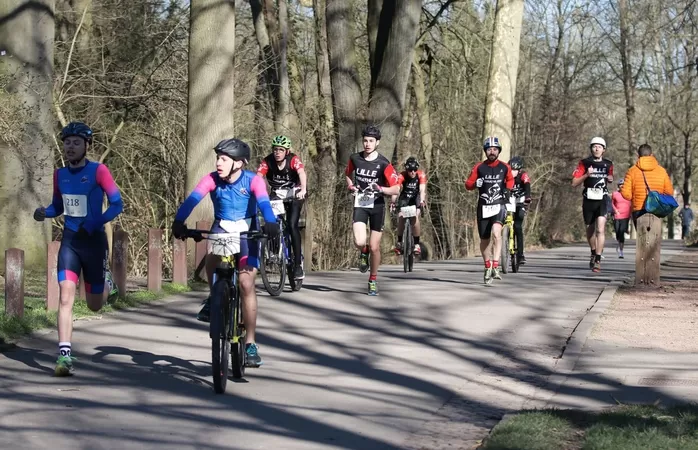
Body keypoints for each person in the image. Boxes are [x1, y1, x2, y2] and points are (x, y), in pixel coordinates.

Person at [172, 138, 280, 368]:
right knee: (212, 261)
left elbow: (263, 202)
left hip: (247, 229)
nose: (218, 163)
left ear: (239, 163)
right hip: (222, 226)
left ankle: (250, 343)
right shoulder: (211, 179)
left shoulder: (253, 180)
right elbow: (193, 199)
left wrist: (270, 222)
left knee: (246, 283)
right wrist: (179, 220)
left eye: (224, 159)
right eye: (218, 158)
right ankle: (214, 297)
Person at [33, 122, 123, 376]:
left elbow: (117, 204)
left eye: (75, 142)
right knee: (65, 296)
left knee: (95, 305)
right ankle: (64, 356)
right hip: (71, 242)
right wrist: (44, 213)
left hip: (94, 242)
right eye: (67, 142)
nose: (70, 147)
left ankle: (107, 283)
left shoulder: (99, 171)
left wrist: (97, 222)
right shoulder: (59, 174)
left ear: (86, 145)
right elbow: (57, 207)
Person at [345, 125, 400, 296]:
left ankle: (373, 280)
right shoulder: (355, 158)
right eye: (365, 141)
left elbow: (396, 188)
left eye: (371, 141)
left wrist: (381, 189)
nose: (367, 144)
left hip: (377, 206)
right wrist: (351, 186)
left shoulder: (384, 163)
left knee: (375, 247)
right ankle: (363, 252)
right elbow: (347, 174)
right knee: (360, 241)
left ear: (377, 143)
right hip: (361, 203)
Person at [256, 135, 308, 279]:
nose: (277, 152)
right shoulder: (267, 161)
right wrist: (256, 192)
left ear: (287, 151)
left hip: (295, 193)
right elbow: (258, 176)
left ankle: (297, 265)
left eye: (281, 150)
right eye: (275, 150)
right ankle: (273, 251)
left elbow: (301, 173)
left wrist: (303, 189)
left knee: (292, 225)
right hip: (277, 195)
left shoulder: (293, 159)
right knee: (271, 221)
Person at [465, 136, 514, 285]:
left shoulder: (505, 167)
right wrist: (475, 184)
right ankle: (487, 266)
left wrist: (507, 189)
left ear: (498, 151)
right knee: (485, 239)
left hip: (499, 204)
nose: (492, 152)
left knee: (496, 233)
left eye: (494, 149)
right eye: (489, 149)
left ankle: (496, 264)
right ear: (485, 151)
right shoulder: (479, 167)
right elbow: (468, 184)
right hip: (483, 206)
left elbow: (510, 179)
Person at [572, 137, 614, 273]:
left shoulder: (608, 164)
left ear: (604, 150)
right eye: (594, 146)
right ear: (591, 148)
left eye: (599, 147)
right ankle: (593, 250)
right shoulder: (584, 163)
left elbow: (610, 177)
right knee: (590, 229)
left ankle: (598, 259)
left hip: (602, 198)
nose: (597, 149)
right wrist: (586, 175)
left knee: (600, 230)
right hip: (589, 199)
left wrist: (610, 179)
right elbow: (574, 183)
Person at [621, 143, 673, 227]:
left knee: (642, 237)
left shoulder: (632, 171)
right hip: (656, 208)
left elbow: (626, 194)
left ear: (638, 155)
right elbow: (669, 192)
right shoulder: (662, 171)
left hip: (638, 209)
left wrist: (634, 197)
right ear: (651, 155)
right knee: (654, 236)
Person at [391, 157, 427, 256]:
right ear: (406, 170)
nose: (412, 172)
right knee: (401, 217)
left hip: (416, 198)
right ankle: (399, 242)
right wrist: (393, 202)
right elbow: (396, 189)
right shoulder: (401, 175)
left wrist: (422, 201)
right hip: (405, 197)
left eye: (414, 170)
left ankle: (416, 244)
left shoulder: (421, 175)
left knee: (415, 218)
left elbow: (422, 190)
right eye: (410, 170)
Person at [508, 156, 532, 264]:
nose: (512, 172)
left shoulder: (523, 175)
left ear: (519, 170)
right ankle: (504, 243)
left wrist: (527, 196)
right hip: (509, 201)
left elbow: (527, 185)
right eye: (511, 170)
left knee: (517, 226)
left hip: (520, 201)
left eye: (514, 170)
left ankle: (521, 254)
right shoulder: (506, 176)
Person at [611, 179, 632, 258]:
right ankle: (619, 242)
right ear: (618, 186)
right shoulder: (615, 194)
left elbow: (631, 205)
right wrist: (615, 210)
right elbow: (612, 203)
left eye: (623, 185)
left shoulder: (629, 194)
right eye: (620, 185)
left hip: (625, 216)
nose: (622, 186)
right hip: (617, 215)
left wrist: (631, 215)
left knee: (621, 231)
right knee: (617, 231)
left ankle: (621, 251)